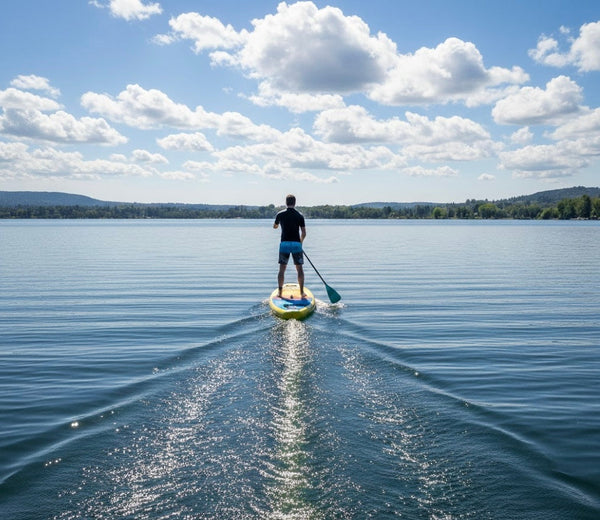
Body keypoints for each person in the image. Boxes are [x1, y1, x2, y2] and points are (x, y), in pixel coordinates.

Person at [273, 194, 306, 298]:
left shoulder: (280, 214)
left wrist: (276, 225)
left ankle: (280, 292)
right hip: (296, 244)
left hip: (284, 244)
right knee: (299, 269)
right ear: (295, 203)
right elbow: (304, 233)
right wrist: (300, 243)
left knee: (282, 269)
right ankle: (301, 292)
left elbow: (275, 226)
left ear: (286, 202)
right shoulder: (299, 215)